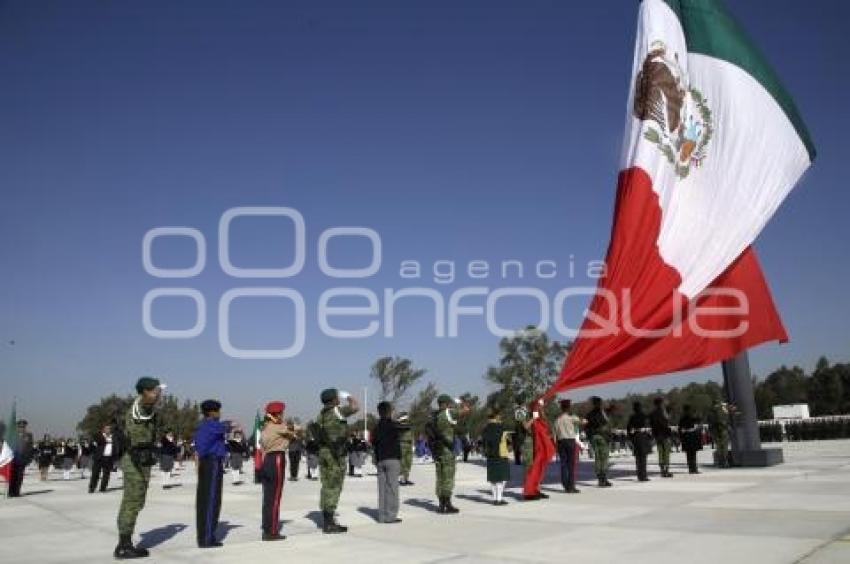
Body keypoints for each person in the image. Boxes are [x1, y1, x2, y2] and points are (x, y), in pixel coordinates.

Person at [114, 376, 164, 560]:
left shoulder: (147, 410)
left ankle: (125, 542)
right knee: (132, 501)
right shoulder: (140, 408)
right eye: (154, 391)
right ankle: (123, 545)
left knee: (137, 501)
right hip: (134, 460)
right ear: (144, 392)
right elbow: (146, 406)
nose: (157, 394)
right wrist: (151, 398)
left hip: (143, 459)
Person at [316, 388, 359, 533]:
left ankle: (327, 517)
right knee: (334, 486)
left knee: (326, 485)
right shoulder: (336, 411)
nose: (338, 399)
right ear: (333, 400)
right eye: (337, 397)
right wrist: (349, 396)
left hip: (324, 453)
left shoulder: (321, 415)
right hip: (335, 455)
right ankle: (329, 523)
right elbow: (355, 407)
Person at [259, 401, 294, 541]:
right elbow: (294, 433)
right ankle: (272, 531)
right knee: (275, 497)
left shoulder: (265, 427)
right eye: (281, 413)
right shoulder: (278, 426)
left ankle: (267, 526)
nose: (283, 415)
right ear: (277, 414)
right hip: (277, 459)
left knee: (268, 497)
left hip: (267, 459)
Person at [193, 400, 226, 548]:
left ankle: (206, 535)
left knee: (205, 500)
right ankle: (207, 538)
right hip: (212, 463)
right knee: (211, 500)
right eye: (218, 411)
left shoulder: (203, 425)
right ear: (211, 412)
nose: (219, 414)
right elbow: (228, 426)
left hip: (207, 463)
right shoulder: (212, 424)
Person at [432, 394, 470, 514]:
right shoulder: (448, 413)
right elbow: (466, 410)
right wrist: (461, 402)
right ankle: (447, 504)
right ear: (447, 403)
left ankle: (440, 504)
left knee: (440, 477)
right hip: (447, 450)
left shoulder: (436, 415)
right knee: (448, 476)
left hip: (437, 450)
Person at [372, 401, 402, 524]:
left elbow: (374, 443)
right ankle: (391, 516)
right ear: (390, 411)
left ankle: (382, 516)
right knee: (392, 488)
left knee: (382, 488)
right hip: (392, 459)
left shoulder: (376, 427)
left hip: (380, 459)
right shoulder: (394, 425)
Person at [521, 399, 556, 501]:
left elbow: (546, 424)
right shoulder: (525, 414)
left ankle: (536, 489)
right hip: (529, 444)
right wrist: (533, 418)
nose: (541, 408)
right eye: (539, 406)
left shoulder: (539, 414)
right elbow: (525, 426)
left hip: (538, 444)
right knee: (530, 468)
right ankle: (528, 492)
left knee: (539, 468)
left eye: (542, 406)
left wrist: (541, 413)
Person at [481, 407, 510, 505]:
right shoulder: (501, 427)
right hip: (500, 453)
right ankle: (499, 499)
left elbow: (483, 442)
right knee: (502, 478)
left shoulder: (485, 428)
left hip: (490, 454)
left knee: (493, 478)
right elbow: (506, 440)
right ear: (497, 416)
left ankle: (495, 499)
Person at [554, 399, 582, 494]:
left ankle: (565, 484)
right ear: (568, 407)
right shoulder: (571, 418)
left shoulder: (557, 420)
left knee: (563, 464)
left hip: (561, 442)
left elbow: (555, 433)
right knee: (571, 464)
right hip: (570, 441)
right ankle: (571, 486)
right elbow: (581, 421)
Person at [585, 396, 613, 487]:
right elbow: (606, 422)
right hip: (602, 437)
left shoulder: (589, 415)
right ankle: (603, 478)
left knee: (597, 457)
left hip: (594, 437)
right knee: (604, 458)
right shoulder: (601, 413)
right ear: (599, 403)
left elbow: (586, 428)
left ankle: (600, 478)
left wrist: (590, 437)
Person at [8, 420, 34, 497]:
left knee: (19, 476)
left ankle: (16, 491)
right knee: (12, 476)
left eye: (23, 427)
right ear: (17, 427)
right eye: (20, 426)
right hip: (13, 458)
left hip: (22, 459)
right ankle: (10, 491)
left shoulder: (29, 435)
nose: (22, 428)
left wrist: (29, 458)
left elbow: (30, 447)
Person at [650, 397, 674, 478]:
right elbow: (666, 420)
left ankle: (662, 469)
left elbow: (652, 425)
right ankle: (666, 470)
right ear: (661, 403)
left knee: (660, 452)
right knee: (666, 452)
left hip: (657, 435)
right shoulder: (663, 412)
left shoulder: (652, 413)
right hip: (665, 434)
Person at [627, 402, 651, 482]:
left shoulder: (632, 417)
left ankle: (639, 475)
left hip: (636, 437)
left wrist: (631, 438)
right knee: (643, 458)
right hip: (643, 436)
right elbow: (648, 427)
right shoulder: (644, 416)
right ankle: (643, 475)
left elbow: (629, 429)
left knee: (638, 458)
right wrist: (649, 437)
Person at [90, 424, 116, 493]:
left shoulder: (113, 437)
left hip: (108, 458)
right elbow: (95, 438)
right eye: (106, 428)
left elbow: (116, 447)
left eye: (109, 428)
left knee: (106, 474)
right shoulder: (99, 436)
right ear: (103, 429)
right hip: (99, 458)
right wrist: (104, 438)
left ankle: (103, 488)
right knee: (95, 473)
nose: (108, 430)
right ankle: (92, 488)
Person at [678, 405, 702, 474]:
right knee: (693, 454)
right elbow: (698, 421)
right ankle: (694, 468)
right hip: (692, 437)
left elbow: (680, 429)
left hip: (686, 438)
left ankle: (691, 468)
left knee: (689, 454)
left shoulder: (682, 419)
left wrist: (681, 437)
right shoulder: (692, 418)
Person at [708, 401, 731, 468]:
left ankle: (721, 462)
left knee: (719, 447)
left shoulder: (711, 413)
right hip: (722, 431)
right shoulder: (723, 411)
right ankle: (725, 462)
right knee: (724, 447)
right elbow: (726, 421)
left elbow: (710, 423)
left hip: (716, 431)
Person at [396, 412, 414, 486]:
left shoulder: (408, 424)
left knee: (408, 462)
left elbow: (410, 428)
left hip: (409, 444)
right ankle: (401, 479)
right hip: (402, 444)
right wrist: (401, 421)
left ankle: (406, 478)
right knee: (402, 462)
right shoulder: (398, 425)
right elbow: (402, 427)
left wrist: (413, 445)